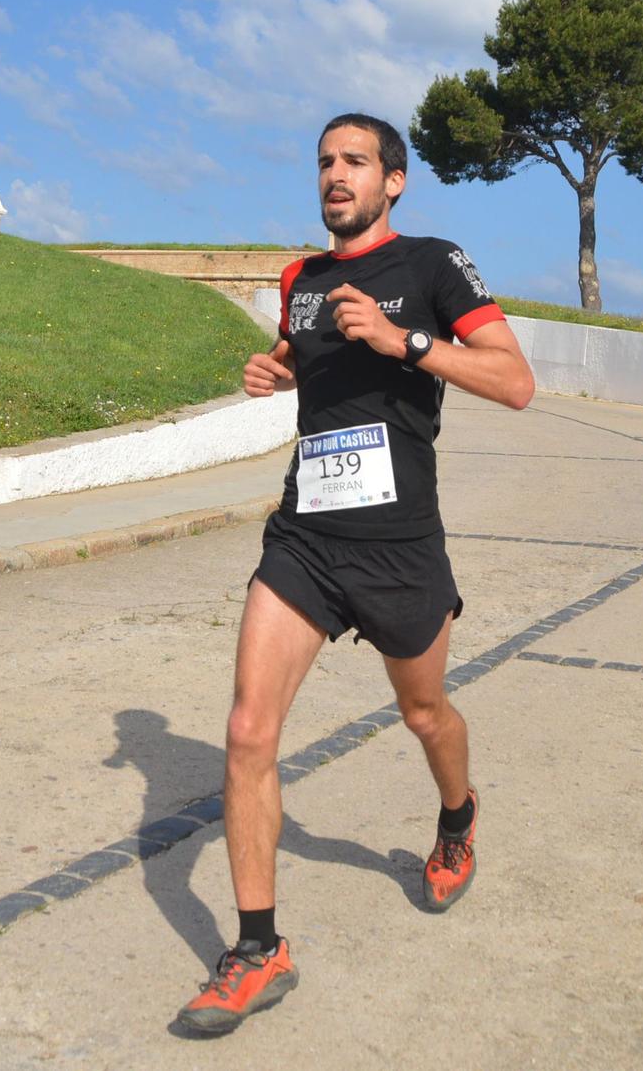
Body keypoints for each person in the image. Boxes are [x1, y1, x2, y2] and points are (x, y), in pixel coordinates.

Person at [175, 113, 535, 1036]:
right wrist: (276, 369)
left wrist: (404, 341)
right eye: (326, 162)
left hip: (401, 545)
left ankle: (456, 816)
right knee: (250, 730)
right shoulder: (301, 280)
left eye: (356, 162)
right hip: (305, 538)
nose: (336, 176)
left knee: (424, 713)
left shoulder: (433, 265)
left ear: (395, 180)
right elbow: (308, 358)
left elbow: (513, 380)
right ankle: (259, 950)